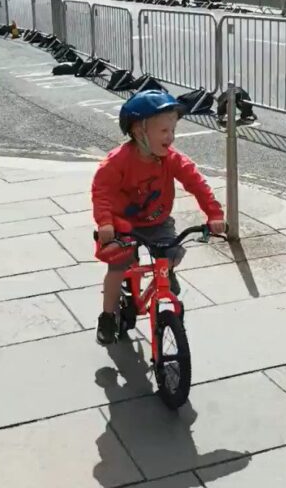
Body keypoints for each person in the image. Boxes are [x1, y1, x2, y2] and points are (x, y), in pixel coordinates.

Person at [91, 90, 226, 345]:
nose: (171, 137)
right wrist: (106, 223)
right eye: (164, 131)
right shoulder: (117, 162)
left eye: (173, 130)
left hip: (157, 221)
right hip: (124, 225)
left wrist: (214, 214)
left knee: (173, 253)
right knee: (118, 268)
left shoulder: (171, 160)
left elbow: (197, 184)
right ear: (140, 132)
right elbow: (102, 192)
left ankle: (165, 274)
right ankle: (107, 316)